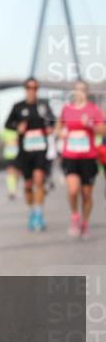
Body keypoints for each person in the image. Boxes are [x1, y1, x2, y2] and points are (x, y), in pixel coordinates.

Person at [53, 80, 105, 238]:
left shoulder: (93, 110)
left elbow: (103, 131)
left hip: (88, 157)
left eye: (83, 90)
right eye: (77, 90)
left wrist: (90, 125)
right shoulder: (66, 109)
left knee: (87, 194)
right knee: (73, 189)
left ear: (87, 93)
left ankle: (85, 223)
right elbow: (58, 128)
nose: (79, 93)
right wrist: (60, 133)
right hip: (70, 156)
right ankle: (75, 216)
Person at [4, 78, 54, 231]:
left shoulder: (43, 105)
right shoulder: (18, 107)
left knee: (39, 180)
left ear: (37, 89)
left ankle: (39, 214)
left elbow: (53, 123)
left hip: (40, 149)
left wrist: (50, 129)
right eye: (29, 88)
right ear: (25, 89)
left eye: (34, 87)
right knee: (28, 185)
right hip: (25, 151)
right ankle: (32, 211)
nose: (32, 90)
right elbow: (8, 124)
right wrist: (17, 127)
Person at [0, 127, 20, 200]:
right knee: (10, 172)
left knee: (17, 173)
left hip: (18, 155)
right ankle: (11, 191)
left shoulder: (18, 129)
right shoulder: (5, 131)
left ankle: (14, 187)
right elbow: (0, 140)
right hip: (8, 155)